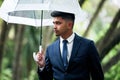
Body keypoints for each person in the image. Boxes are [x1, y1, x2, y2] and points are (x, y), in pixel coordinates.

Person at [36, 11, 104, 80]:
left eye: (58, 23)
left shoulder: (88, 46)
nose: (54, 27)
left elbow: (98, 76)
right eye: (54, 23)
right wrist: (42, 66)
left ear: (69, 25)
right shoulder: (50, 49)